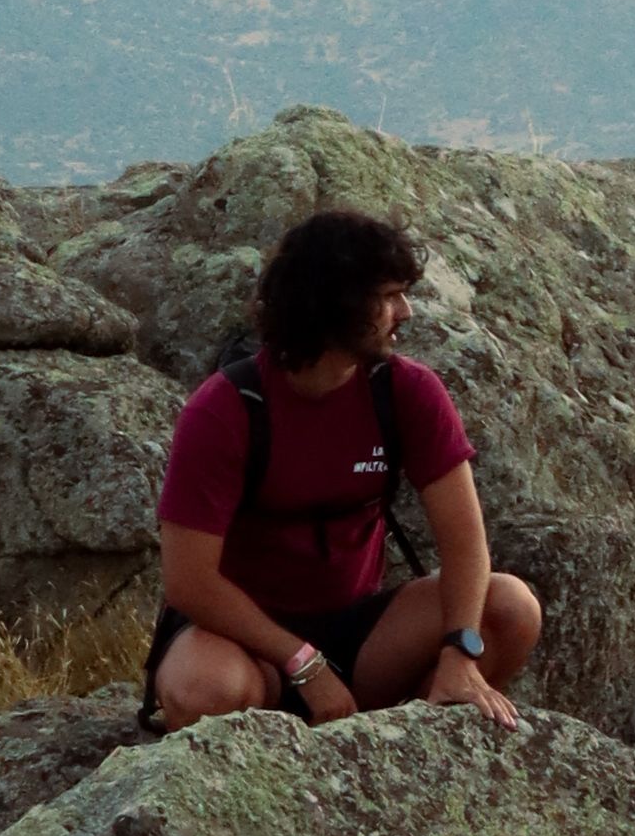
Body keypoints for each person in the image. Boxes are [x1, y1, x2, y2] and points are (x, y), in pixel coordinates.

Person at [148, 206, 544, 732]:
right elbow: (190, 581)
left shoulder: (407, 392)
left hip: (361, 635)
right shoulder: (226, 409)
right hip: (243, 639)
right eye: (387, 296)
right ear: (331, 304)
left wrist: (460, 651)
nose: (405, 312)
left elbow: (465, 543)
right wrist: (303, 663)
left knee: (512, 607)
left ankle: (409, 752)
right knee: (205, 690)